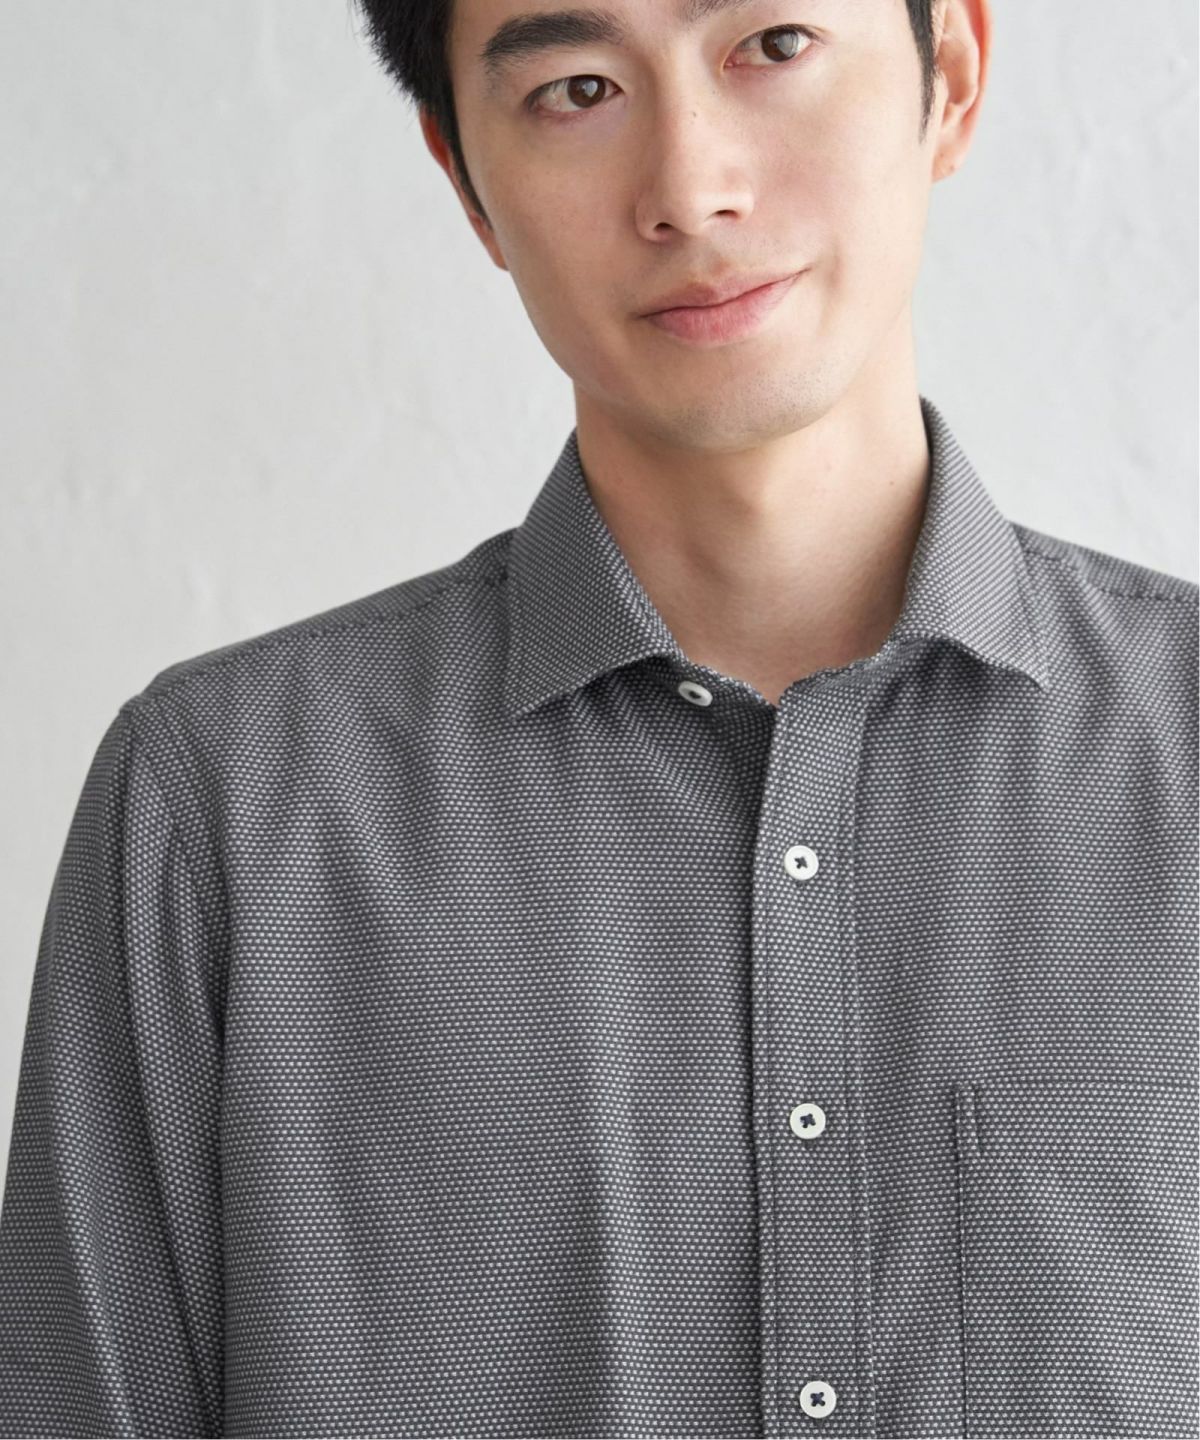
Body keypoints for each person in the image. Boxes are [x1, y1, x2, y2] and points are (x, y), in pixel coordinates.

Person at [1, 1, 1196, 1436]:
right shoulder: (222, 809)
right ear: (465, 179)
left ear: (949, 76)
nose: (690, 188)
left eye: (774, 45)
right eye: (576, 89)